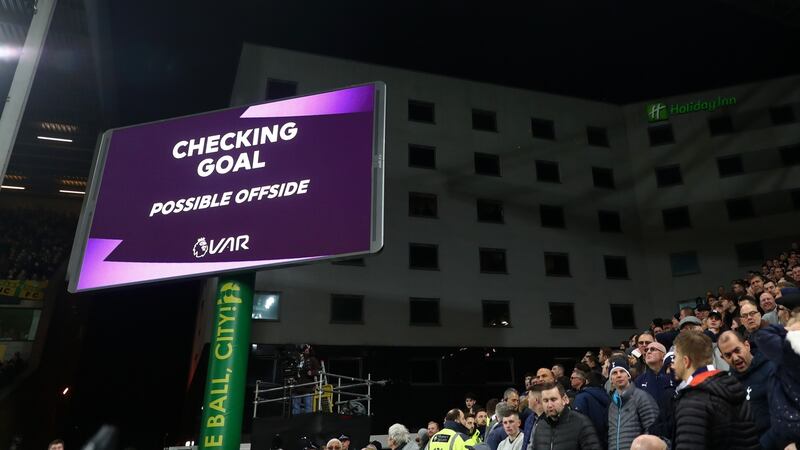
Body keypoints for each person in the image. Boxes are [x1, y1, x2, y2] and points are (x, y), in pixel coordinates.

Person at [671, 331, 759, 450]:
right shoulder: (733, 386)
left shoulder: (692, 400)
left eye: (675, 357)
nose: (673, 365)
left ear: (686, 361)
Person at [717, 331, 776, 448]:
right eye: (728, 355)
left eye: (737, 350)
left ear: (747, 345)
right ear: (722, 358)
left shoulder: (772, 370)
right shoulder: (728, 383)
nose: (735, 358)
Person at [751, 320, 800, 448]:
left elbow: (762, 336)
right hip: (782, 432)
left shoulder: (788, 355)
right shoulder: (781, 363)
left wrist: (785, 329)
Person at [529, 382, 601, 450]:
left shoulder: (581, 423)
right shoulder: (540, 426)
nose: (549, 405)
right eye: (546, 401)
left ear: (565, 399)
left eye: (553, 399)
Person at [607, 358, 658, 450]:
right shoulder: (612, 406)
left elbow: (653, 429)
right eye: (614, 373)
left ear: (628, 375)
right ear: (611, 379)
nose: (619, 375)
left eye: (622, 371)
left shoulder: (642, 397)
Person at [570, 364, 610, 450]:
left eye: (573, 378)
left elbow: (576, 423)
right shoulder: (606, 395)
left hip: (587, 442)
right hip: (605, 442)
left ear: (585, 381)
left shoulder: (581, 397)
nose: (571, 380)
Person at [293, 344, 321, 415]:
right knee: (296, 407)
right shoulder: (298, 359)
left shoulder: (313, 359)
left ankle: (308, 422)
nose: (306, 350)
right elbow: (294, 370)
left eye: (308, 348)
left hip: (308, 387)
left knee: (308, 407)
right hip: (297, 386)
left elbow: (319, 371)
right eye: (305, 348)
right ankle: (295, 421)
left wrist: (312, 372)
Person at [520, 385, 544, 450]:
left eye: (529, 397)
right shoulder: (529, 419)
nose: (527, 399)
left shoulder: (549, 420)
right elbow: (525, 444)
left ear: (536, 400)